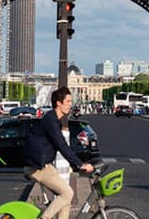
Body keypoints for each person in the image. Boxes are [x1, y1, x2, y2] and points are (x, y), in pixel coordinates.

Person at [22, 88, 92, 219]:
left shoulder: (53, 119)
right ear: (58, 103)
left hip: (44, 165)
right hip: (38, 167)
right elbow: (61, 145)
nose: (70, 104)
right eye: (68, 101)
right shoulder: (51, 121)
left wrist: (76, 163)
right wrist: (80, 164)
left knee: (65, 200)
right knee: (67, 193)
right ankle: (45, 218)